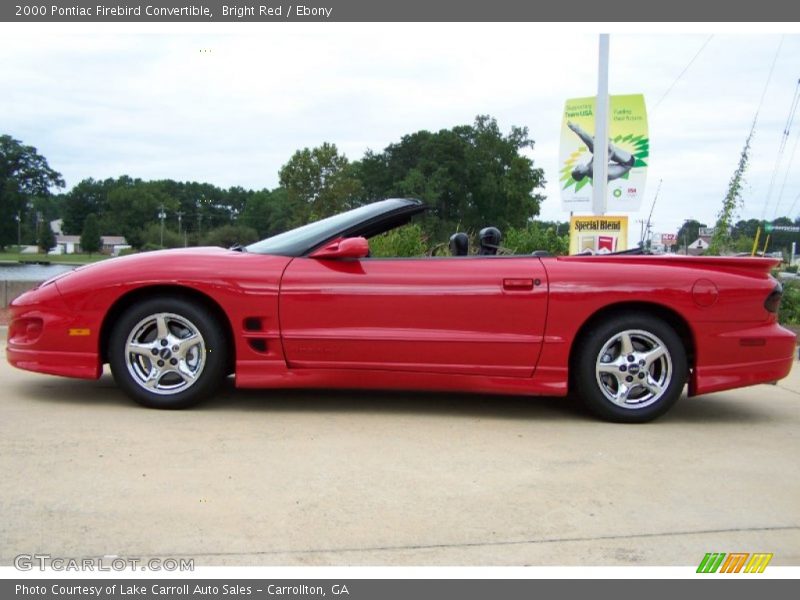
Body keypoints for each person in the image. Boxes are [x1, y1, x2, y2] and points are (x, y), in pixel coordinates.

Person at [567, 120, 635, 182]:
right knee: (598, 148)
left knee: (594, 149)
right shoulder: (593, 169)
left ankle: (577, 129)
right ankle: (576, 129)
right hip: (627, 163)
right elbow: (611, 152)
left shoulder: (588, 170)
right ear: (581, 172)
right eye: (576, 168)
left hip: (624, 163)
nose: (577, 166)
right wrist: (607, 142)